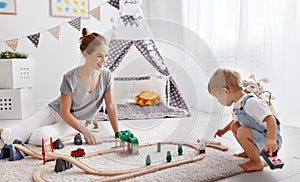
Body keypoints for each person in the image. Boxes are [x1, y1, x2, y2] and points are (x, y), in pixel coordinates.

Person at [0, 28, 119, 145]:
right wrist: (84, 131)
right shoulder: (70, 77)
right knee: (12, 138)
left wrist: (117, 133)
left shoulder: (106, 76)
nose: (104, 60)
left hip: (75, 122)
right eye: (99, 56)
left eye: (106, 55)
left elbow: (111, 106)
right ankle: (4, 132)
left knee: (39, 138)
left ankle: (29, 135)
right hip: (54, 112)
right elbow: (64, 113)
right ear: (85, 53)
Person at [208, 68, 282, 172]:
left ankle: (256, 162)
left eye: (217, 97)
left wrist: (271, 139)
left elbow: (271, 119)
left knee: (242, 131)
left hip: (270, 140)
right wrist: (223, 131)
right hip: (259, 137)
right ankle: (249, 152)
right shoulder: (239, 104)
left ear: (225, 91)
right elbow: (234, 122)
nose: (218, 101)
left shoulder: (251, 102)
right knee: (235, 125)